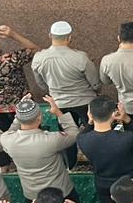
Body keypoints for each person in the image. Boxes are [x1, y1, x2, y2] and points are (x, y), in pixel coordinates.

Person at [30, 20, 99, 166]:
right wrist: (96, 91)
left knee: (67, 136)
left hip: (59, 103)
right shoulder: (80, 57)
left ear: (50, 35)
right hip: (85, 101)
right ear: (69, 38)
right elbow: (95, 83)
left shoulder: (39, 58)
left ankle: (71, 164)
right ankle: (95, 161)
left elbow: (41, 84)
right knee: (93, 132)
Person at [3, 95, 80, 203]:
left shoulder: (7, 140)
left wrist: (21, 113)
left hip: (32, 197)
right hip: (61, 194)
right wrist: (59, 113)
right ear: (39, 118)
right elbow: (74, 134)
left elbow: (11, 130)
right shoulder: (51, 140)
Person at [76, 96, 133, 203]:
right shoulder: (127, 138)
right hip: (131, 182)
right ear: (113, 114)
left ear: (90, 114)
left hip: (103, 184)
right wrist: (126, 118)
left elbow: (85, 132)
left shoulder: (83, 139)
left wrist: (90, 123)